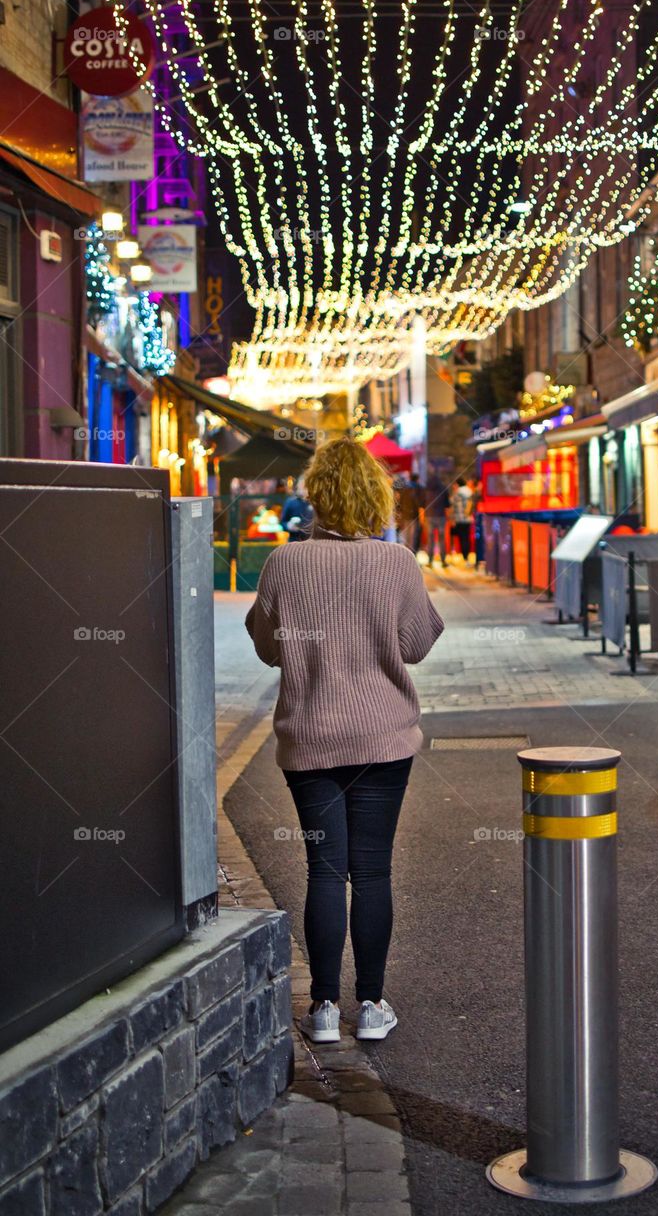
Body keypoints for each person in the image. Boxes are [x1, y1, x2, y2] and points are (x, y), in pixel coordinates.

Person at [246, 437, 444, 1043]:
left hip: (310, 739)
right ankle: (373, 1005)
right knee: (374, 871)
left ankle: (325, 1008)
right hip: (383, 738)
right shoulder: (397, 562)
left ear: (317, 497)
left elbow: (267, 647)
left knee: (325, 871)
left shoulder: (285, 563)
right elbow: (417, 644)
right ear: (375, 498)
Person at [424, 472, 450, 566]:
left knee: (430, 539)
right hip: (441, 516)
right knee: (441, 539)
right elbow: (447, 504)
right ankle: (443, 560)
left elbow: (423, 503)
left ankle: (430, 561)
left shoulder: (427, 489)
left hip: (429, 516)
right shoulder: (443, 488)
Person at [395, 471, 424, 553]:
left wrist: (399, 513)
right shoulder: (417, 489)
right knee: (412, 536)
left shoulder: (404, 489)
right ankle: (411, 553)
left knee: (405, 536)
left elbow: (399, 503)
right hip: (413, 516)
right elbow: (419, 503)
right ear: (417, 479)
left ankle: (405, 552)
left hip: (405, 515)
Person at [449, 476, 474, 562]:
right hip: (468, 519)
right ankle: (467, 556)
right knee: (466, 537)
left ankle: (464, 556)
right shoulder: (470, 492)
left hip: (459, 519)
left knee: (461, 538)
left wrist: (452, 519)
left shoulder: (457, 493)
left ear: (458, 484)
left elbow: (452, 506)